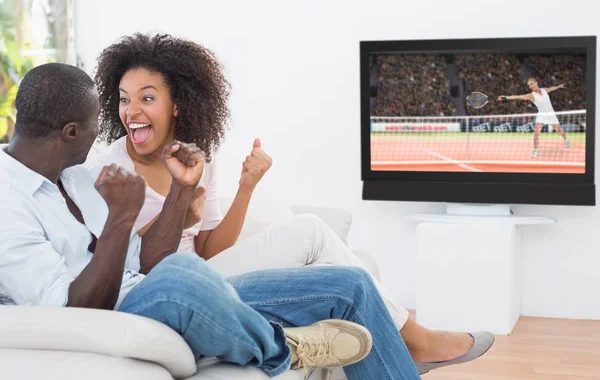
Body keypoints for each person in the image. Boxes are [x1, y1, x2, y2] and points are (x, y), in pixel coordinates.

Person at [92, 32, 495, 375]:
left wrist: (246, 187)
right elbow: (124, 261)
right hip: (171, 289)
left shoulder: (197, 158)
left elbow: (210, 250)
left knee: (311, 230)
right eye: (124, 99)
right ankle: (414, 339)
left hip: (206, 270)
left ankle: (410, 337)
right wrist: (178, 211)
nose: (131, 111)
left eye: (147, 98)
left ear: (177, 104)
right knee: (342, 278)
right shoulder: (108, 168)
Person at [0, 62, 424, 379]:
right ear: (71, 132)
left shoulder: (72, 178)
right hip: (119, 312)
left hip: (156, 290)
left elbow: (144, 261)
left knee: (348, 282)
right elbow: (71, 310)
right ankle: (282, 347)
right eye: (97, 123)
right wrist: (118, 221)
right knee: (182, 272)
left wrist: (181, 191)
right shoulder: (7, 202)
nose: (106, 132)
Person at [498, 78, 570, 158]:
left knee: (559, 131)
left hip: (551, 115)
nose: (530, 86)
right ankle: (535, 150)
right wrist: (505, 98)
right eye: (529, 85)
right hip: (541, 116)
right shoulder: (531, 95)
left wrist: (558, 87)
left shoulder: (544, 90)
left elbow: (551, 89)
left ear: (536, 82)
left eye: (531, 83)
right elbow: (518, 96)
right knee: (536, 134)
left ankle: (566, 139)